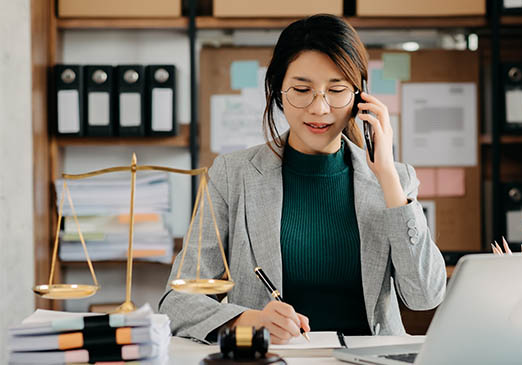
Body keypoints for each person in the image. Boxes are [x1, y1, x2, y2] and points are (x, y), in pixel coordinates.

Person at [159, 13, 446, 344]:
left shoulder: (396, 180)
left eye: (336, 90)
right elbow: (176, 302)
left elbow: (426, 296)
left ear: (359, 96)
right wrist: (248, 319)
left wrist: (387, 177)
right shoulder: (232, 175)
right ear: (278, 91)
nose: (319, 108)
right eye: (302, 89)